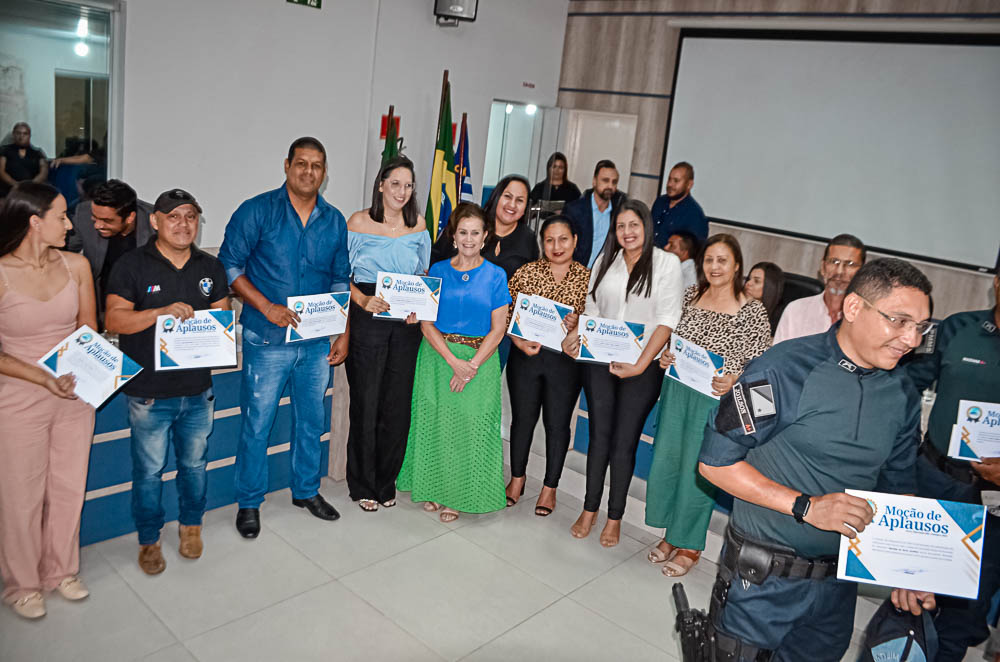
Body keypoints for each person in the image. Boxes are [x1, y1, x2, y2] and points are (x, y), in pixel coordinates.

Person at [698, 257, 936, 661]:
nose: (911, 339)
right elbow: (715, 462)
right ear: (854, 308)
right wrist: (805, 507)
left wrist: (908, 568)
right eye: (899, 321)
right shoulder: (781, 370)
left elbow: (899, 486)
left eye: (921, 327)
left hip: (837, 588)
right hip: (762, 579)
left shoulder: (901, 393)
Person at [218, 137, 351, 538]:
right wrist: (265, 306)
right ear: (287, 166)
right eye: (302, 164)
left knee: (311, 420)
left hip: (314, 344)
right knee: (258, 423)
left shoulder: (334, 219)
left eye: (317, 166)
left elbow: (340, 277)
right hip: (267, 338)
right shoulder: (257, 210)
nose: (309, 172)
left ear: (325, 173)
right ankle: (249, 500)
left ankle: (306, 490)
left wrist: (342, 332)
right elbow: (229, 265)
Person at [104, 189, 230, 575]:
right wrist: (159, 314)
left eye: (190, 216)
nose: (183, 224)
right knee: (149, 472)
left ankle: (191, 527)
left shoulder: (211, 266)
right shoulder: (131, 265)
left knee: (194, 465)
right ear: (155, 221)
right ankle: (149, 540)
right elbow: (113, 320)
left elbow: (222, 317)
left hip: (198, 391)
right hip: (149, 395)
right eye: (173, 216)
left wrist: (217, 326)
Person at [645, 234, 772, 577]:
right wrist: (665, 355)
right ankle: (671, 534)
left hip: (715, 402)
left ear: (736, 267)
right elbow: (669, 339)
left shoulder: (751, 310)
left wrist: (735, 378)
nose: (714, 267)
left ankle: (690, 545)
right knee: (668, 462)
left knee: (696, 472)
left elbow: (764, 369)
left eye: (722, 261)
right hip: (677, 391)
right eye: (709, 260)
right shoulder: (690, 296)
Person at [561, 199, 683, 546]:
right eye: (620, 226)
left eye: (634, 225)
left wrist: (641, 365)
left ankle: (614, 517)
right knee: (598, 435)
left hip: (643, 367)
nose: (627, 233)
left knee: (623, 442)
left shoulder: (666, 264)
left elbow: (667, 320)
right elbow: (593, 309)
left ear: (646, 225)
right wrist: (576, 336)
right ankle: (589, 508)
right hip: (600, 360)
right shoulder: (605, 261)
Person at [0, 182, 96, 619]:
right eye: (61, 216)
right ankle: (22, 583)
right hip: (19, 396)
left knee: (67, 486)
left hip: (75, 394)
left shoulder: (77, 266)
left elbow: (88, 331)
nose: (70, 224)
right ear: (35, 222)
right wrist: (42, 377)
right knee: (21, 494)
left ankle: (61, 570)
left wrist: (96, 368)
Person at [905, 269, 1000, 662]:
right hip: (935, 480)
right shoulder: (958, 327)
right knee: (907, 595)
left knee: (962, 613)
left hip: (992, 505)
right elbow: (908, 384)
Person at [397, 203, 511, 523]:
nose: (469, 239)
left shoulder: (496, 275)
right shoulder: (437, 271)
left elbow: (499, 328)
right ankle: (433, 487)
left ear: (486, 236)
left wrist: (470, 365)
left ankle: (458, 495)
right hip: (436, 357)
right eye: (463, 232)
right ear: (453, 235)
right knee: (433, 423)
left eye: (476, 232)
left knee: (469, 427)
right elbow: (426, 322)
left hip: (480, 361)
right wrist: (451, 360)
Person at [345, 156, 430, 512]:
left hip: (405, 324)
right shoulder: (358, 222)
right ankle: (362, 482)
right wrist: (363, 299)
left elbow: (423, 274)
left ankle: (385, 480)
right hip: (368, 315)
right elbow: (339, 273)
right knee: (367, 400)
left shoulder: (419, 226)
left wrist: (419, 308)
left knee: (397, 403)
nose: (402, 191)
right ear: (381, 185)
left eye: (408, 185)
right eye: (395, 183)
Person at [505, 215, 590, 516]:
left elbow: (597, 323)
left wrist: (579, 323)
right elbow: (506, 313)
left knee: (557, 425)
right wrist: (516, 341)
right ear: (542, 242)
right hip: (526, 356)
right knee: (523, 420)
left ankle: (549, 488)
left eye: (563, 239)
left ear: (575, 241)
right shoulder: (526, 273)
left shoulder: (588, 279)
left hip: (565, 363)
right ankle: (517, 479)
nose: (556, 246)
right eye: (550, 240)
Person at [70, 179, 156, 316]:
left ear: (130, 218)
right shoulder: (84, 214)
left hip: (145, 305)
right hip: (101, 303)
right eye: (95, 218)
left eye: (106, 221)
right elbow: (65, 250)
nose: (97, 225)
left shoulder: (155, 221)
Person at [431, 174, 538, 279]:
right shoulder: (471, 223)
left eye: (520, 200)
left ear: (526, 207)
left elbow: (531, 282)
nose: (512, 205)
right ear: (496, 197)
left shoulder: (528, 238)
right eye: (507, 196)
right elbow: (435, 260)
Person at [772, 233, 865, 343]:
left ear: (862, 272)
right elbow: (778, 358)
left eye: (850, 264)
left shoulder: (867, 318)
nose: (839, 271)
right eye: (834, 262)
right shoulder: (795, 311)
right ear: (823, 267)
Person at [563, 160, 626, 268]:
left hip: (604, 277)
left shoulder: (619, 213)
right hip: (576, 273)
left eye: (614, 182)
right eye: (605, 180)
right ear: (594, 181)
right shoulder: (574, 210)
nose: (610, 186)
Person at [651, 161, 707, 248]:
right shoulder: (660, 202)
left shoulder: (695, 214)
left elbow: (695, 251)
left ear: (689, 184)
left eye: (676, 181)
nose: (670, 184)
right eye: (669, 179)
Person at [0, 123, 48, 197]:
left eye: (25, 134)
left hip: (31, 191)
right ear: (13, 134)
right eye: (18, 133)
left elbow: (43, 172)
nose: (21, 136)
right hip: (8, 190)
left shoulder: (38, 153)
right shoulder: (5, 150)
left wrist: (30, 185)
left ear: (29, 136)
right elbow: (1, 171)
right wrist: (15, 184)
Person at [744, 261, 786, 334]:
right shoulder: (738, 303)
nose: (748, 283)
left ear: (770, 287)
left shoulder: (780, 317)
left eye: (756, 281)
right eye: (749, 279)